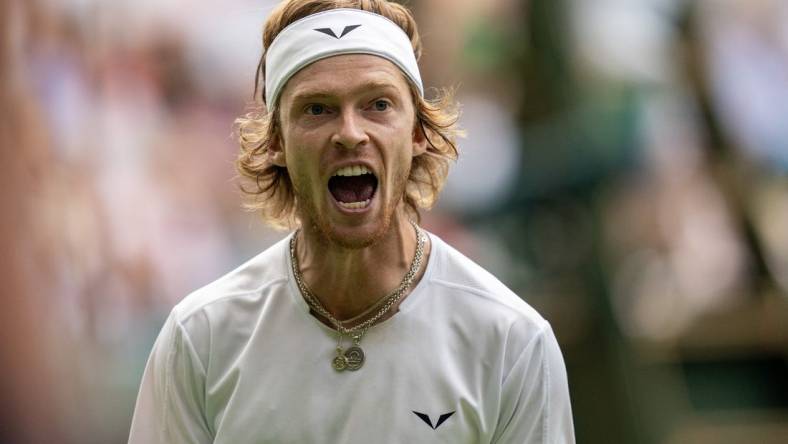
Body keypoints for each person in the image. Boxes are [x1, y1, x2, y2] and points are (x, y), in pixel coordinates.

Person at [128, 0, 575, 442]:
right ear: (277, 141)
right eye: (317, 109)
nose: (350, 133)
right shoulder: (200, 338)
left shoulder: (513, 341)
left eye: (377, 105)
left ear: (417, 132)